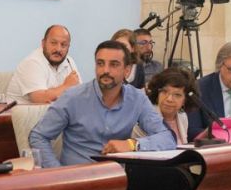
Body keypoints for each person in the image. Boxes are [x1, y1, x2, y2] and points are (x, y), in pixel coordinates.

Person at [29, 40, 176, 167]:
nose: (105, 70)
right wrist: (57, 173)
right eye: (100, 64)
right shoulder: (72, 98)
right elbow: (38, 136)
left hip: (117, 179)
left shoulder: (137, 99)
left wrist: (131, 144)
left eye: (114, 64)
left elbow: (167, 138)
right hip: (77, 179)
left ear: (126, 70)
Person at [5, 25, 82, 104]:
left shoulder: (69, 61)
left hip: (54, 110)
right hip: (22, 111)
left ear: (68, 47)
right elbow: (40, 99)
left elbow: (80, 95)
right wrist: (66, 86)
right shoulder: (32, 62)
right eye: (53, 43)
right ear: (43, 43)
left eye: (63, 44)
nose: (58, 49)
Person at [138, 67, 199, 145]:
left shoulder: (183, 117)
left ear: (185, 100)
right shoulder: (146, 118)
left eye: (177, 95)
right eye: (164, 91)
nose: (169, 99)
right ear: (157, 93)